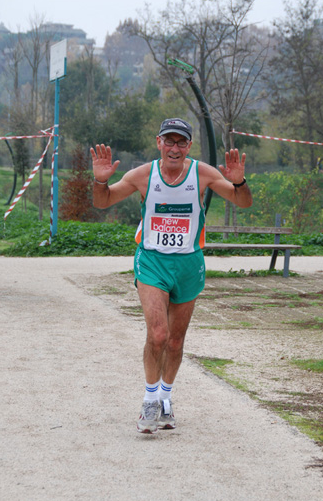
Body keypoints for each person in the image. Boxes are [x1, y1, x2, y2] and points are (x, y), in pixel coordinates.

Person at [91, 118, 253, 434]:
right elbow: (104, 201)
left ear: (188, 146)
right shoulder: (143, 175)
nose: (174, 148)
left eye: (181, 142)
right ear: (159, 143)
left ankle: (165, 398)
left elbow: (242, 202)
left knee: (176, 341)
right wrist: (99, 181)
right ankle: (150, 401)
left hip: (189, 264)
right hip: (152, 262)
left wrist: (239, 182)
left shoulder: (203, 173)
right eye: (169, 141)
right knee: (159, 334)